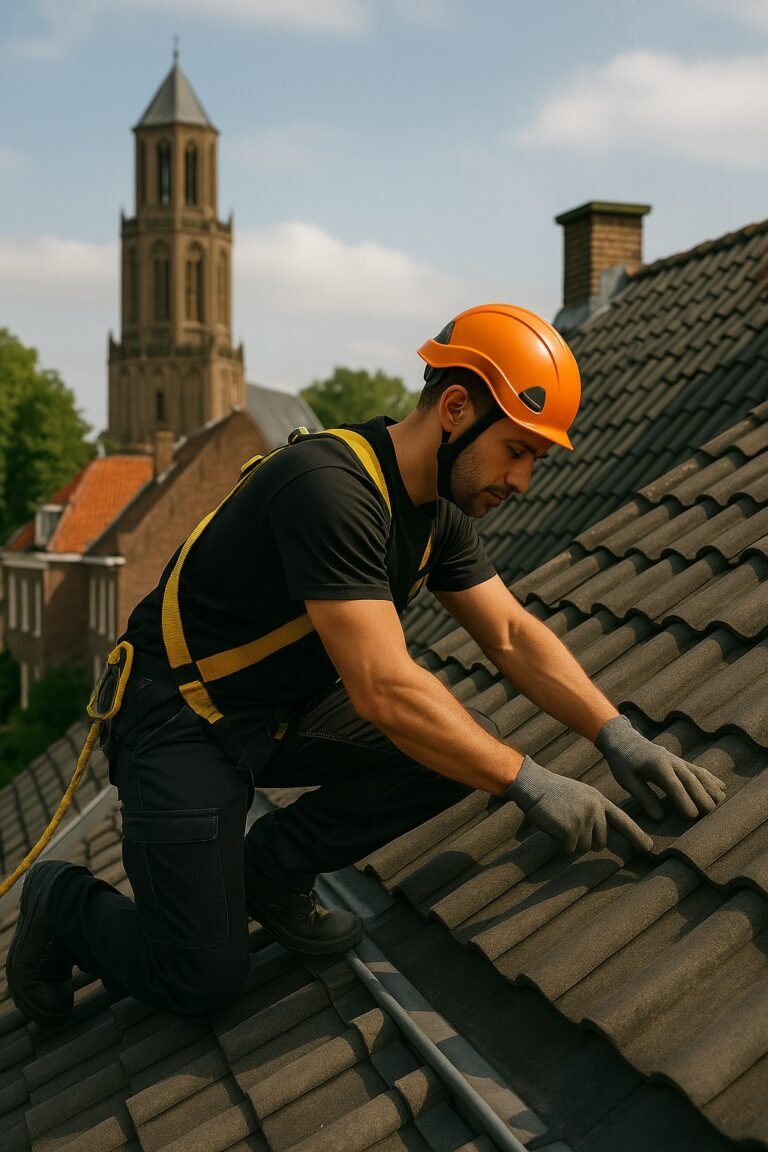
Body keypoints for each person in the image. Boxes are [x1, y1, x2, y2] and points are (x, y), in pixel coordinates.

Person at [6, 304, 726, 1024]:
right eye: (518, 450)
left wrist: (615, 734)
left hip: (273, 712)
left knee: (455, 739)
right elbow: (383, 688)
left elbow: (508, 632)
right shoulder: (329, 488)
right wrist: (528, 781)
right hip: (180, 719)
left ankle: (271, 870)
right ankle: (60, 900)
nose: (523, 482)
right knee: (200, 980)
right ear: (454, 409)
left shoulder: (437, 512)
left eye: (534, 459)